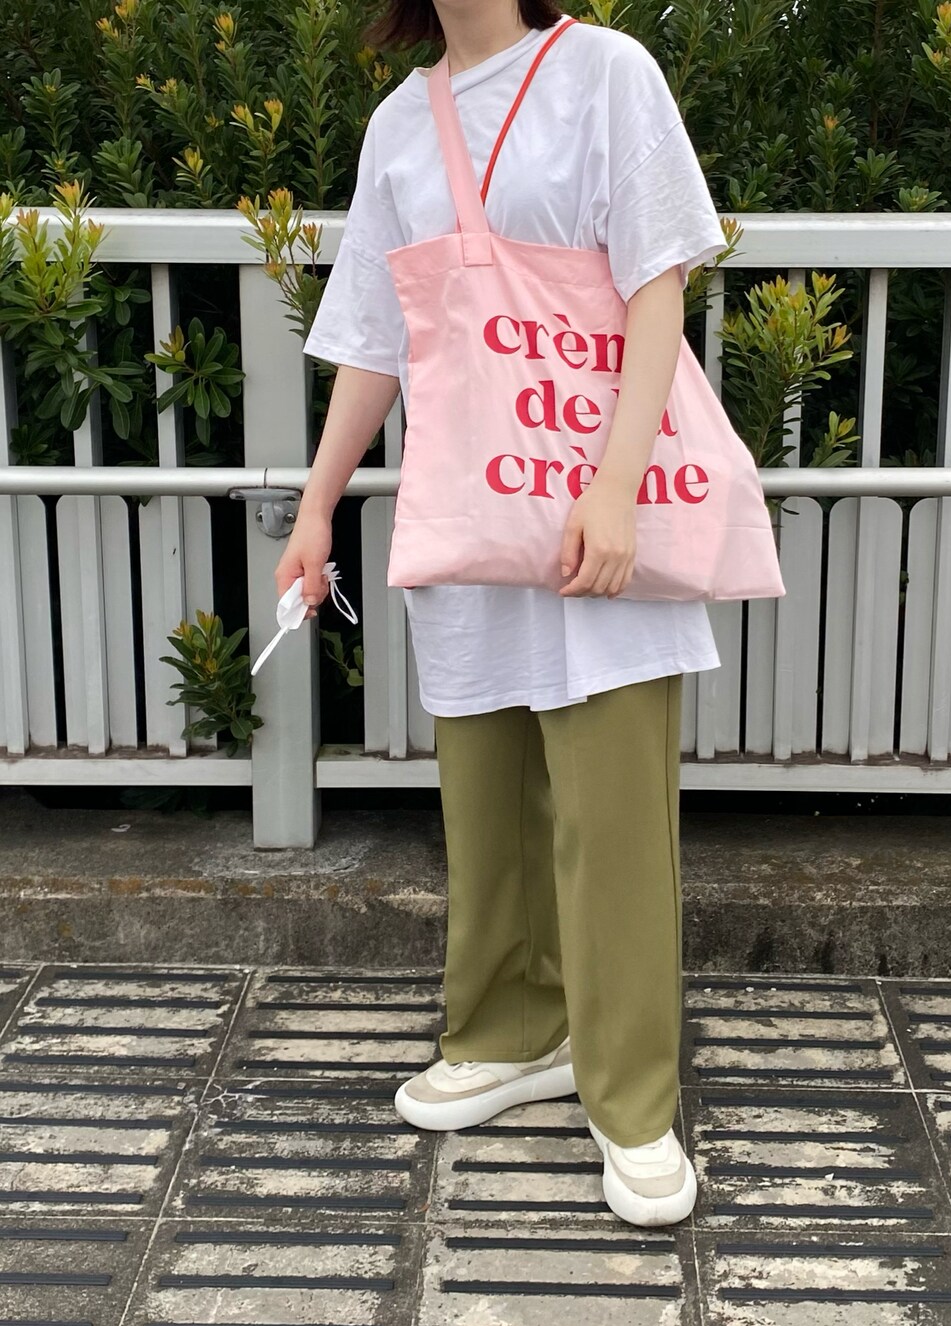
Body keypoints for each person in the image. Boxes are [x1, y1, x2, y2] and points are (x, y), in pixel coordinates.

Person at [277, 0, 728, 1229]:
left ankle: (631, 1094)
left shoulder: (603, 71)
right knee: (485, 797)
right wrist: (316, 505)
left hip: (595, 500)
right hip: (472, 513)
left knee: (611, 813)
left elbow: (656, 284)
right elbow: (377, 337)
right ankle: (510, 1030)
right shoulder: (399, 124)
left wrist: (617, 485)